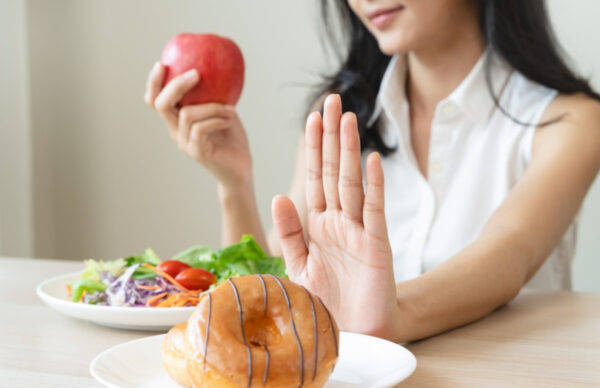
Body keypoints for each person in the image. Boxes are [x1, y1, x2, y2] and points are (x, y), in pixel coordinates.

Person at [144, 0, 600, 342]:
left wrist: (392, 313)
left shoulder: (571, 121)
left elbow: (509, 254)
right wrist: (234, 184)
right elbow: (268, 289)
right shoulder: (338, 114)